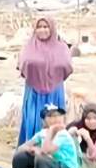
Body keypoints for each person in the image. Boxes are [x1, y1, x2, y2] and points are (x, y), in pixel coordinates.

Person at [17, 17, 73, 146]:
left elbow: (67, 66)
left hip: (55, 92)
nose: (42, 30)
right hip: (34, 93)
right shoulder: (29, 47)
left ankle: (54, 150)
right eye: (39, 27)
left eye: (46, 27)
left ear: (52, 29)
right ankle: (32, 150)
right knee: (34, 120)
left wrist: (54, 74)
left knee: (54, 121)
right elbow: (22, 65)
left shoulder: (62, 47)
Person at [13, 104, 80, 168]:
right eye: (50, 116)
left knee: (41, 159)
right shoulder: (42, 133)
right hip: (53, 167)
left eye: (58, 115)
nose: (55, 119)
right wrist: (32, 149)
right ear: (44, 120)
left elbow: (46, 150)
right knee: (21, 157)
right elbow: (21, 148)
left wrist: (52, 131)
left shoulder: (62, 134)